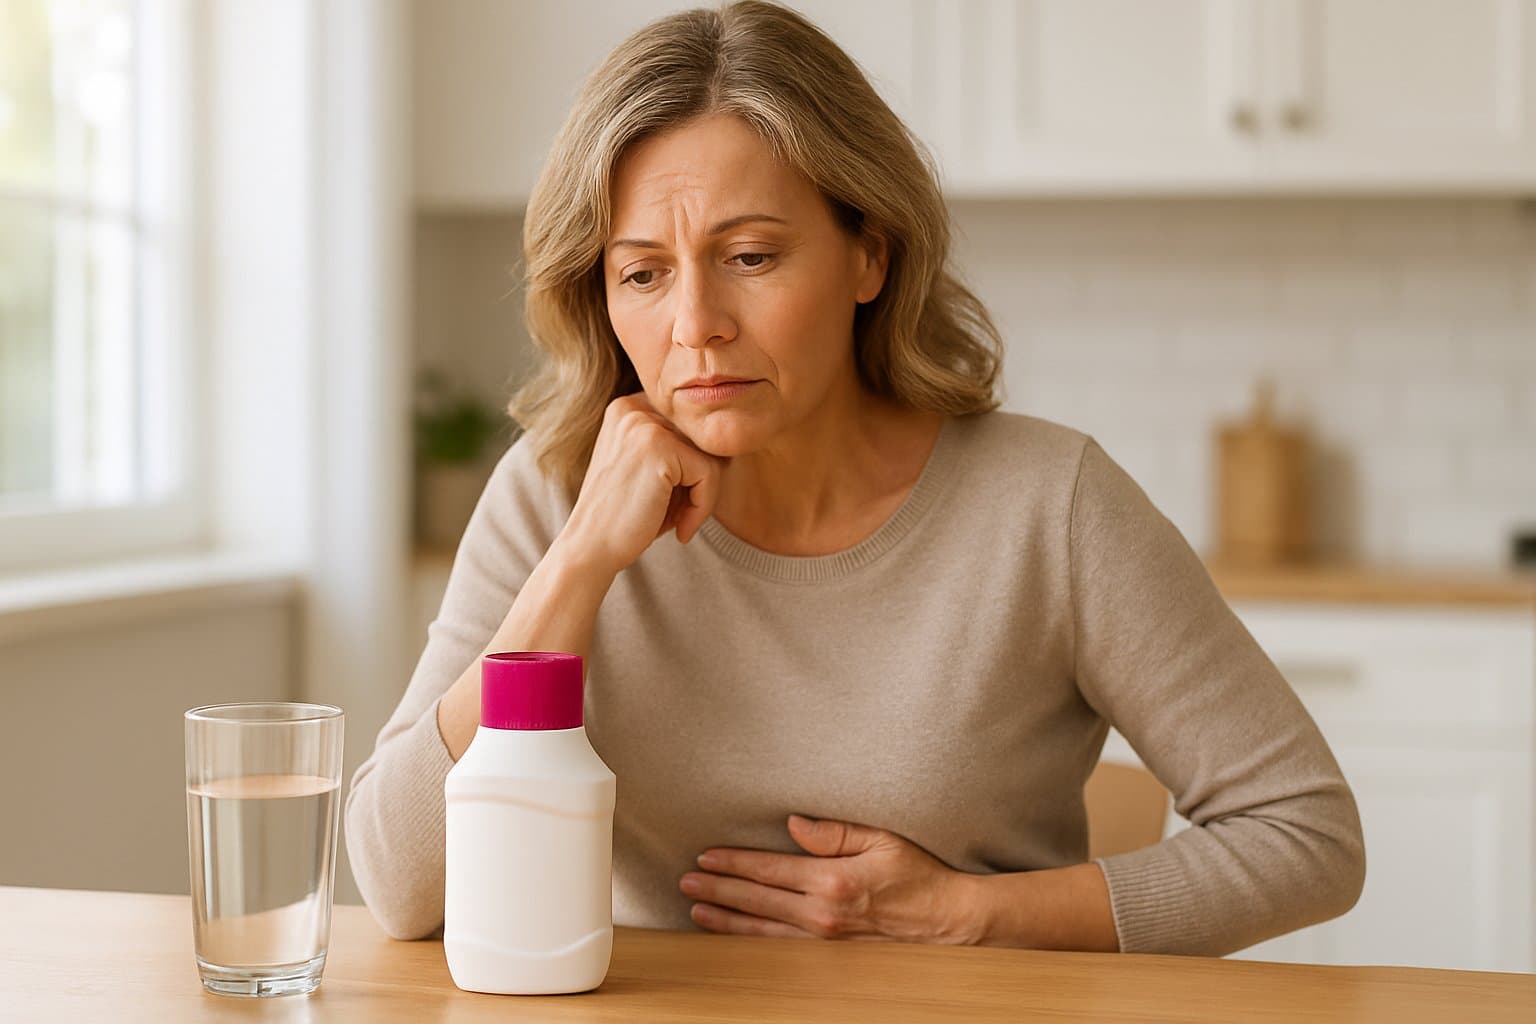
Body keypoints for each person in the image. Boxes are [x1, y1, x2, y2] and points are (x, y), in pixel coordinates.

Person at [347, 0, 1364, 956]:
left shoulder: (1048, 507)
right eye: (643, 272)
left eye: (749, 256)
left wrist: (971, 914)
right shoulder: (554, 494)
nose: (695, 322)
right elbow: (398, 882)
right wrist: (579, 564)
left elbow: (1308, 834)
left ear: (868, 255)